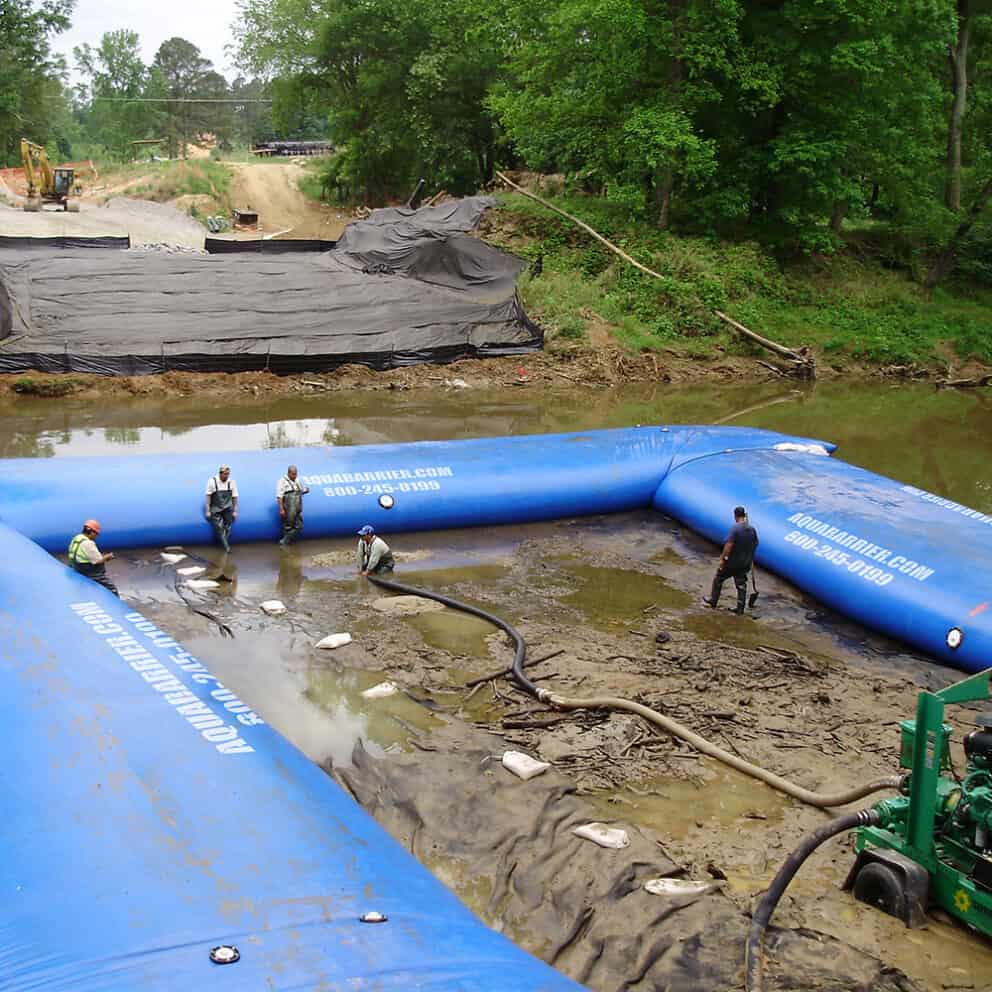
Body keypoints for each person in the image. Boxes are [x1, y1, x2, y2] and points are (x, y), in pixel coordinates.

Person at [704, 505, 759, 615]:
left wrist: (723, 559)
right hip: (745, 563)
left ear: (735, 516)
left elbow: (728, 545)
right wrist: (749, 555)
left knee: (719, 578)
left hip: (732, 563)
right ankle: (740, 610)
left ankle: (713, 601)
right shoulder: (752, 529)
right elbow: (756, 543)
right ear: (744, 515)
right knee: (741, 585)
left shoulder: (735, 529)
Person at [67, 519, 119, 596]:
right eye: (96, 534)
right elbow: (98, 560)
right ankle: (116, 603)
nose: (96, 537)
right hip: (88, 571)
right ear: (91, 532)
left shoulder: (77, 538)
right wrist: (108, 556)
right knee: (111, 588)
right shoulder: (88, 543)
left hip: (75, 566)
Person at [205, 464, 238, 552]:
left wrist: (235, 510)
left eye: (228, 474)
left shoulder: (231, 482)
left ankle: (223, 542)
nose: (227, 476)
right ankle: (227, 547)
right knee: (220, 528)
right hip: (215, 508)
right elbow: (208, 496)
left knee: (228, 527)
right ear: (220, 473)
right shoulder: (212, 481)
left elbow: (235, 496)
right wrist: (208, 510)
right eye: (225, 474)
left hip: (227, 507)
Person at [276, 464, 309, 546]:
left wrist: (305, 490)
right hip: (288, 506)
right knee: (288, 525)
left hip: (297, 506)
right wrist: (281, 509)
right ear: (289, 473)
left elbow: (300, 491)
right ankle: (285, 543)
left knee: (299, 526)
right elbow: (279, 496)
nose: (295, 476)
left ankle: (285, 541)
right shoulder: (282, 481)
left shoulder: (297, 480)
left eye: (296, 474)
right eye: (293, 474)